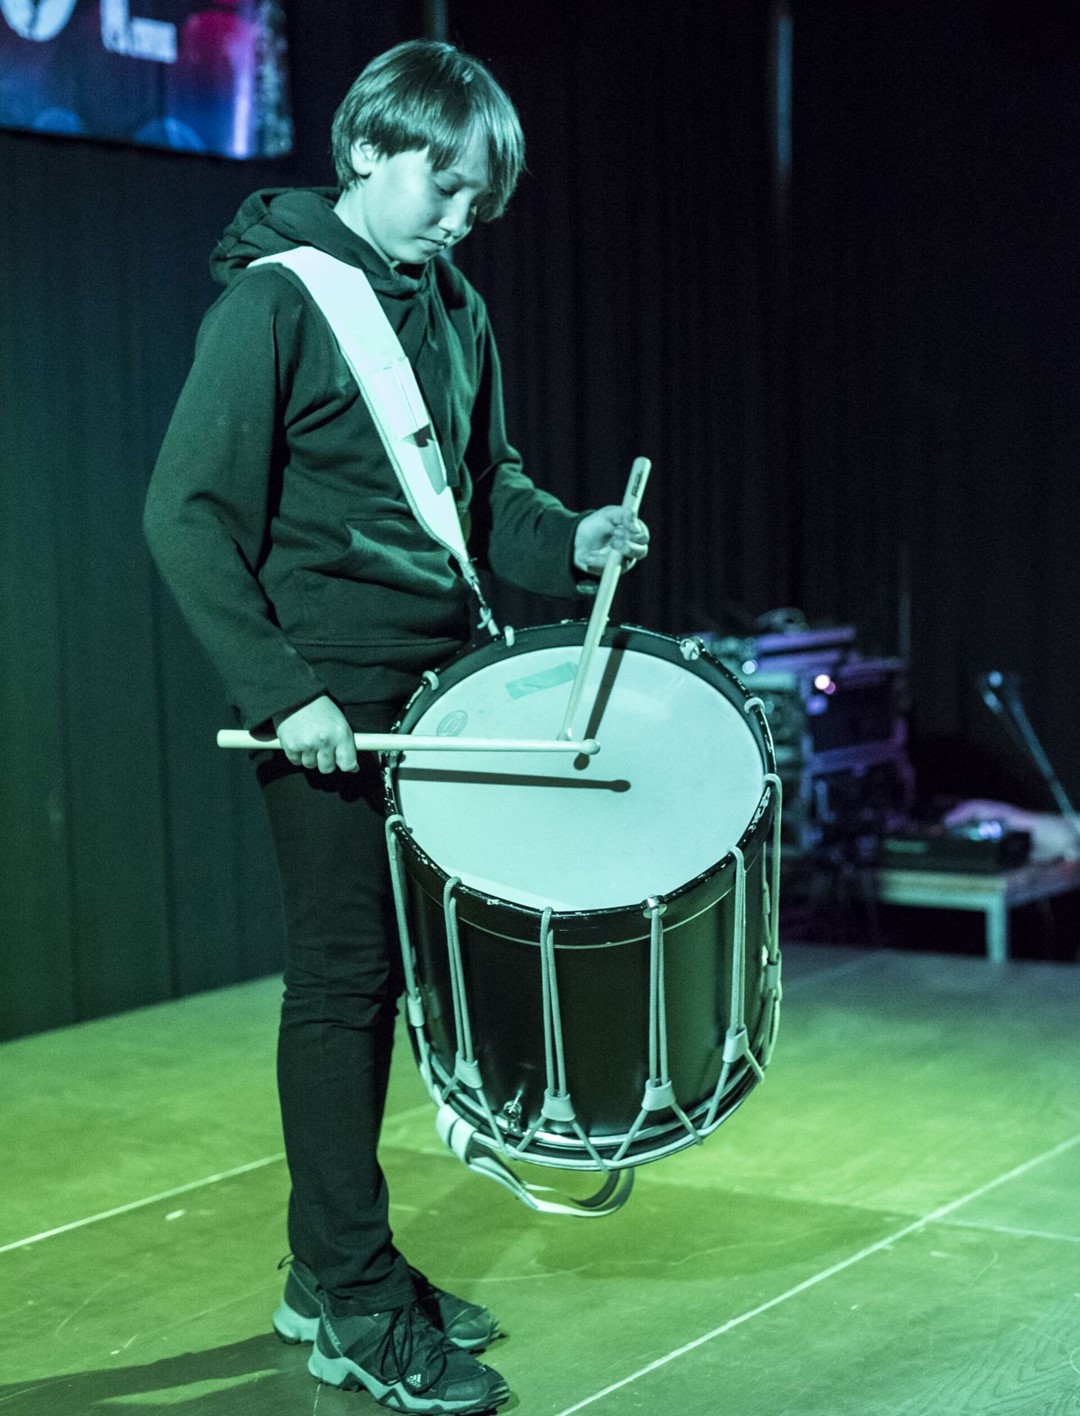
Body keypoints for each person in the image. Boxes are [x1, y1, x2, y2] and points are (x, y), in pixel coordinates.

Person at [143, 38, 648, 1416]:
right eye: (444, 185)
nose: (460, 217)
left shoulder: (454, 303)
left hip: (441, 692)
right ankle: (356, 1299)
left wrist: (573, 537)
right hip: (329, 702)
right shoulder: (275, 303)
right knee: (344, 984)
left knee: (411, 988)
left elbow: (488, 494)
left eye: (482, 200)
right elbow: (183, 514)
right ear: (369, 148)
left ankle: (330, 1271)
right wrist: (282, 690)